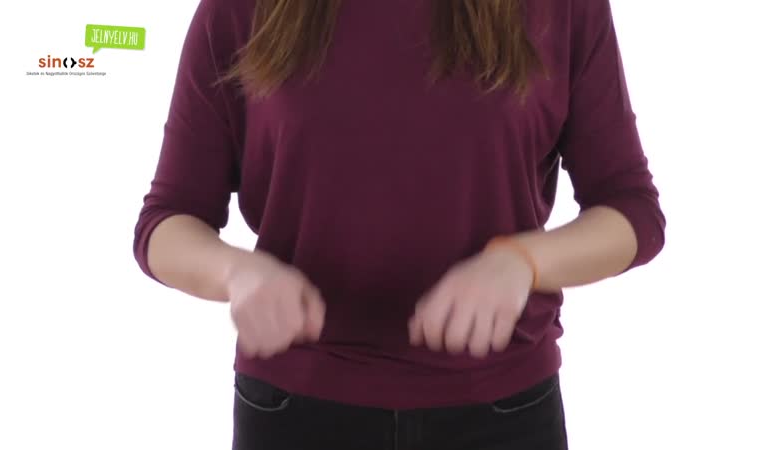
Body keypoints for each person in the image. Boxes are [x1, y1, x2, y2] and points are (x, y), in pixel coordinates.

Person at [133, 0, 666, 448]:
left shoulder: (564, 8)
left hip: (503, 411)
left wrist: (524, 261)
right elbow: (166, 220)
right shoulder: (240, 9)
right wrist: (235, 273)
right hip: (293, 410)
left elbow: (631, 209)